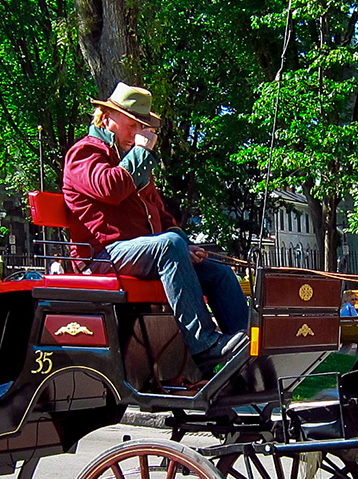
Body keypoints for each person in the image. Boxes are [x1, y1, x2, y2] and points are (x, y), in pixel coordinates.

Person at [64, 82, 249, 370]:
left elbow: (161, 216)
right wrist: (139, 154)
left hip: (141, 255)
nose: (140, 132)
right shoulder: (85, 153)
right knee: (169, 246)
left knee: (219, 272)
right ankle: (205, 345)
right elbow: (110, 189)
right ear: (107, 117)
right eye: (134, 123)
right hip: (101, 256)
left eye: (143, 126)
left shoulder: (132, 161)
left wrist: (185, 246)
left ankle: (249, 346)